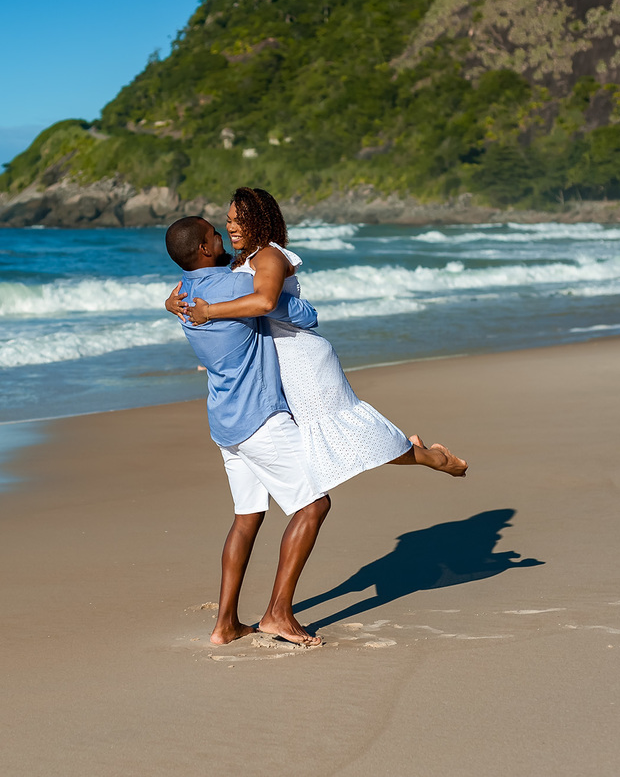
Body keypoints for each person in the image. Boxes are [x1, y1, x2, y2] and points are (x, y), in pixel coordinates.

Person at [168, 187, 468, 489]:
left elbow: (267, 303)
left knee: (348, 437)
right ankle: (412, 448)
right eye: (228, 220)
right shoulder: (237, 261)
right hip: (274, 365)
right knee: (333, 443)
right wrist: (172, 305)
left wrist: (211, 313)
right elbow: (206, 285)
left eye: (239, 221)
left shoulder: (269, 256)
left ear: (259, 221)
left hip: (301, 360)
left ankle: (434, 459)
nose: (231, 227)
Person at [166, 215, 332, 647]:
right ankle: (278, 614)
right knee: (314, 504)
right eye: (214, 234)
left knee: (247, 518)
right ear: (204, 249)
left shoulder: (183, 295)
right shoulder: (235, 287)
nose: (222, 237)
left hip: (224, 422)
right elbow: (303, 315)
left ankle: (224, 625)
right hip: (260, 417)